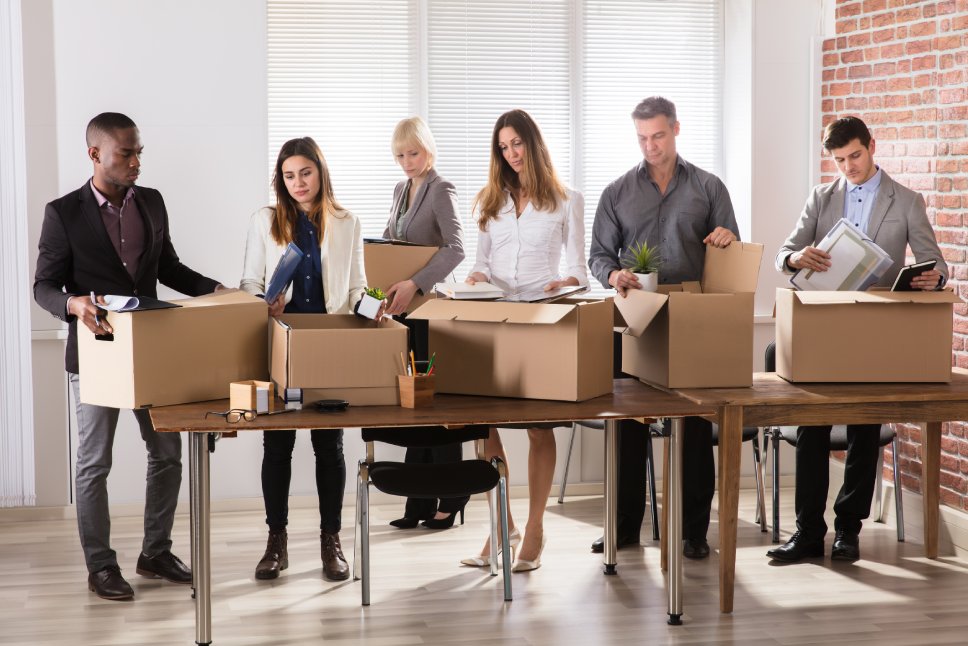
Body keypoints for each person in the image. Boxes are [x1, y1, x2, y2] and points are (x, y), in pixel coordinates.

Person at [33, 112, 222, 600]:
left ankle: (155, 552)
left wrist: (219, 291)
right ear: (95, 154)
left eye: (140, 151)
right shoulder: (63, 212)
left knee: (167, 454)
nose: (137, 161)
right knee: (94, 464)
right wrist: (73, 304)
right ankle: (100, 566)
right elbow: (44, 286)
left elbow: (169, 268)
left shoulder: (153, 202)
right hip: (97, 356)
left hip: (153, 353)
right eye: (126, 153)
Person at [768, 116, 947, 563]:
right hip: (823, 328)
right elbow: (782, 255)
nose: (848, 166)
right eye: (839, 160)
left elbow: (935, 262)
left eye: (855, 156)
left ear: (872, 146)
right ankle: (808, 531)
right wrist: (796, 256)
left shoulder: (906, 201)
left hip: (875, 332)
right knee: (812, 428)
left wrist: (932, 278)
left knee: (863, 429)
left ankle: (849, 530)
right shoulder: (821, 197)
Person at [588, 96, 739, 559]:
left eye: (657, 135)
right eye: (641, 137)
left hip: (690, 320)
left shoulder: (709, 188)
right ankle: (624, 528)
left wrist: (727, 239)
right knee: (627, 426)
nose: (650, 146)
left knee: (694, 428)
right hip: (634, 318)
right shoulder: (616, 192)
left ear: (676, 129)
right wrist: (613, 276)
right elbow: (598, 256)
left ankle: (694, 532)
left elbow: (731, 249)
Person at [240, 136, 377, 581]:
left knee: (328, 446)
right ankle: (275, 541)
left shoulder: (346, 221)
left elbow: (356, 288)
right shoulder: (265, 220)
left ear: (320, 171)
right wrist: (264, 302)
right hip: (282, 343)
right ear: (280, 179)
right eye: (289, 175)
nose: (298, 183)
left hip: (327, 343)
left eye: (306, 173)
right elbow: (248, 281)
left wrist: (374, 308)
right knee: (277, 446)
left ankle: (330, 541)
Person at [459, 108, 588, 572]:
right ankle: (502, 524)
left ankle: (535, 528)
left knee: (538, 427)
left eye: (517, 144)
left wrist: (565, 282)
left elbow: (579, 269)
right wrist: (476, 275)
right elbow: (483, 264)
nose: (510, 153)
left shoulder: (566, 198)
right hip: (496, 320)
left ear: (533, 144)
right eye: (503, 146)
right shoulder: (489, 202)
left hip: (541, 318)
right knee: (486, 426)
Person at [383, 116, 469, 530]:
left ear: (428, 149)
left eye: (412, 153)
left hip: (430, 308)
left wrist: (415, 282)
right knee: (411, 405)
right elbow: (388, 243)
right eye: (400, 155)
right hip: (401, 309)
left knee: (432, 404)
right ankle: (416, 502)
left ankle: (451, 496)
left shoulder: (440, 189)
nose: (406, 162)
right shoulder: (401, 190)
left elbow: (456, 248)